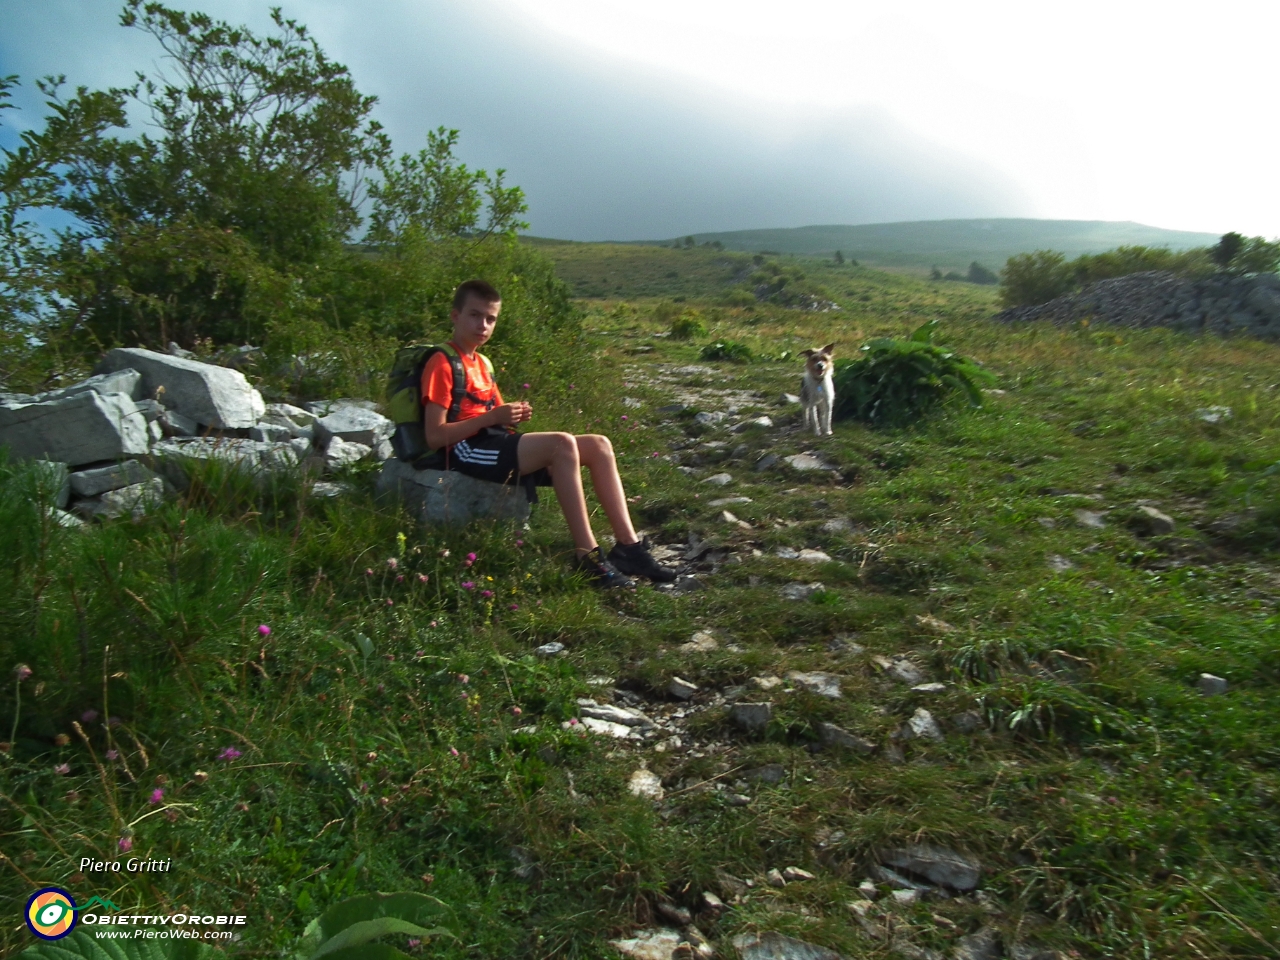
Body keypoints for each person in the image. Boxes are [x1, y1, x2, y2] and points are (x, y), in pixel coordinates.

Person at [421, 279, 675, 588]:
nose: (483, 325)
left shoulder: (482, 363)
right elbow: (435, 436)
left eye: (491, 319)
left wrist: (511, 415)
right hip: (464, 449)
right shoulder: (442, 362)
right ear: (455, 316)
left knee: (599, 445)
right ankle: (587, 556)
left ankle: (629, 548)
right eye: (475, 315)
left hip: (492, 441)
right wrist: (491, 418)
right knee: (561, 444)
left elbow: (499, 421)